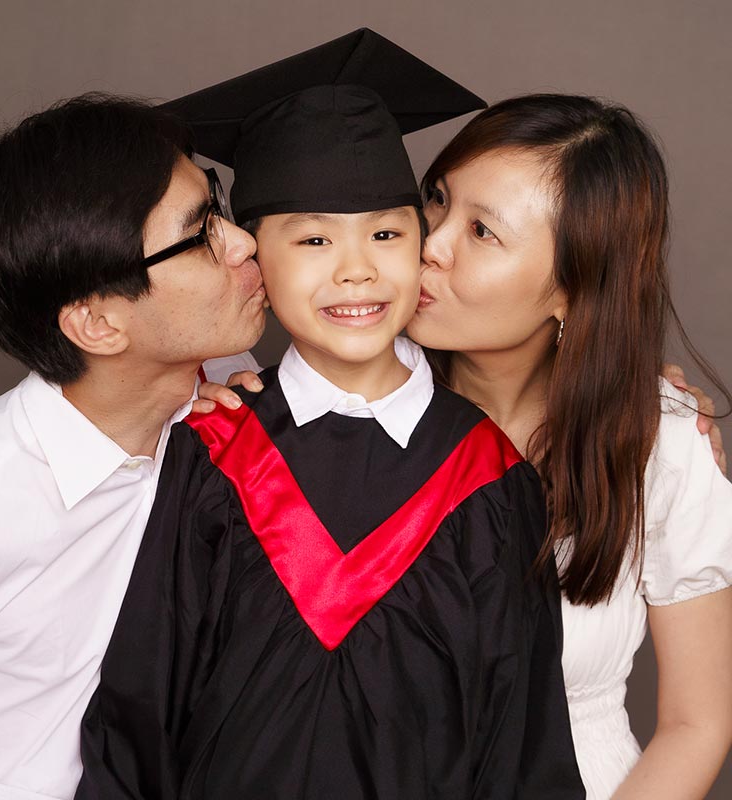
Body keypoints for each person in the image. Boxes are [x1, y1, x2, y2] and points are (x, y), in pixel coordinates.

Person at [77, 30, 585, 800]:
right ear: (254, 260)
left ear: (421, 249)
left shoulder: (491, 481)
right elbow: (137, 720)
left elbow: (522, 749)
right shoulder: (209, 454)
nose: (356, 269)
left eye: (386, 233)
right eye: (313, 238)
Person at [0, 94, 264, 799]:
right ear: (98, 324)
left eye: (219, 207)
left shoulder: (228, 398)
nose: (244, 243)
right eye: (201, 235)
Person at [405, 93, 732, 799]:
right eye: (436, 199)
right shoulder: (349, 411)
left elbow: (697, 722)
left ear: (572, 290)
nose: (430, 242)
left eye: (482, 231)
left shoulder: (662, 442)